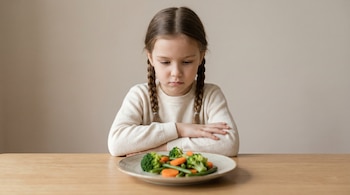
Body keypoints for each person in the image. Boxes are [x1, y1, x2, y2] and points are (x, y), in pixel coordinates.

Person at [108, 7, 239, 157]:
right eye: (165, 62)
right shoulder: (139, 95)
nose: (176, 72)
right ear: (150, 58)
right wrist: (180, 129)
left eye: (187, 62)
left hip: (198, 180)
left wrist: (163, 148)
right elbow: (116, 143)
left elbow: (229, 144)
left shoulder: (211, 95)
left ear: (201, 56)